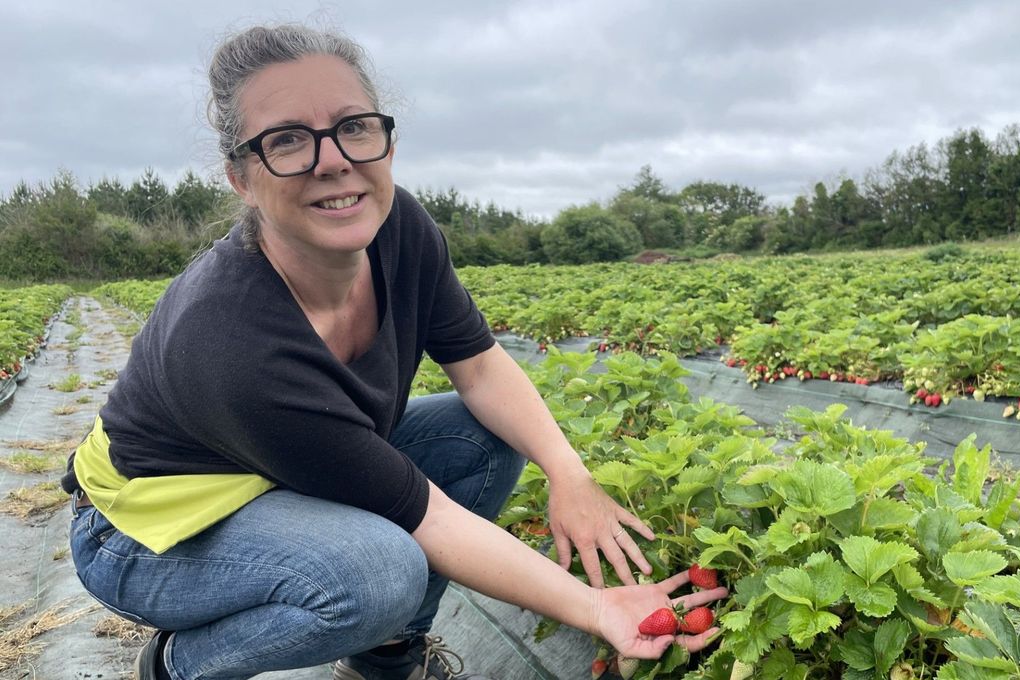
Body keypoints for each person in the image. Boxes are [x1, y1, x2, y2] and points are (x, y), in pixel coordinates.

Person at [60, 22, 723, 680]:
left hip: (279, 471)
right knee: (380, 573)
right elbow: (426, 517)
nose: (332, 159)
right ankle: (182, 666)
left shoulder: (398, 227)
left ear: (386, 140)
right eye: (287, 140)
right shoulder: (235, 342)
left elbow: (482, 365)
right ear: (241, 177)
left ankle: (385, 660)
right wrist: (596, 608)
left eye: (353, 126)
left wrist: (568, 472)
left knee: (482, 440)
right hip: (142, 532)